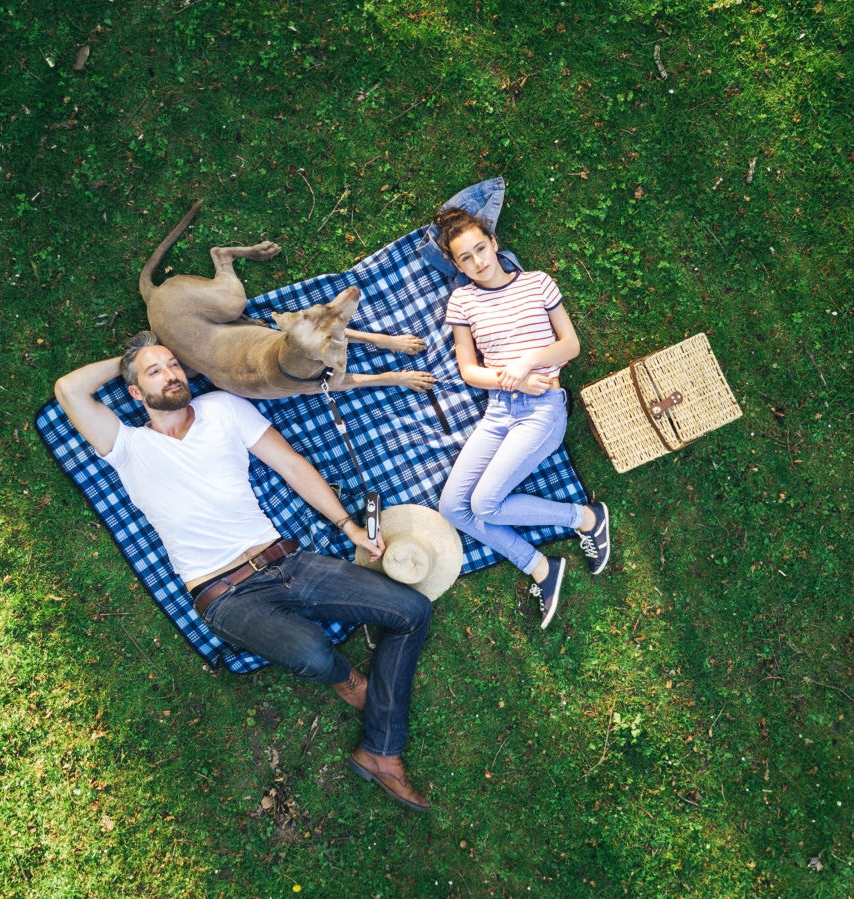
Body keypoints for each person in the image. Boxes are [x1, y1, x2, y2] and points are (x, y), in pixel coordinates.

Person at [54, 331, 433, 812]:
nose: (171, 374)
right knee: (315, 657)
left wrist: (349, 527)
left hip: (286, 560)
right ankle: (347, 679)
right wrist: (131, 359)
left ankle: (379, 752)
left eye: (174, 363)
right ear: (134, 393)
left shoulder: (222, 408)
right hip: (225, 594)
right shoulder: (125, 446)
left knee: (412, 609)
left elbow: (292, 466)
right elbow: (69, 390)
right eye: (155, 372)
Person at [435, 206, 610, 629]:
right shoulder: (463, 300)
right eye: (466, 258)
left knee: (486, 505)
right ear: (456, 265)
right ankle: (540, 568)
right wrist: (508, 381)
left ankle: (587, 518)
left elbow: (570, 346)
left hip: (543, 412)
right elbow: (468, 370)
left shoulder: (537, 284)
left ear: (494, 243)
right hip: (498, 411)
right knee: (452, 508)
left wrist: (527, 364)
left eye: (482, 248)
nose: (478, 262)